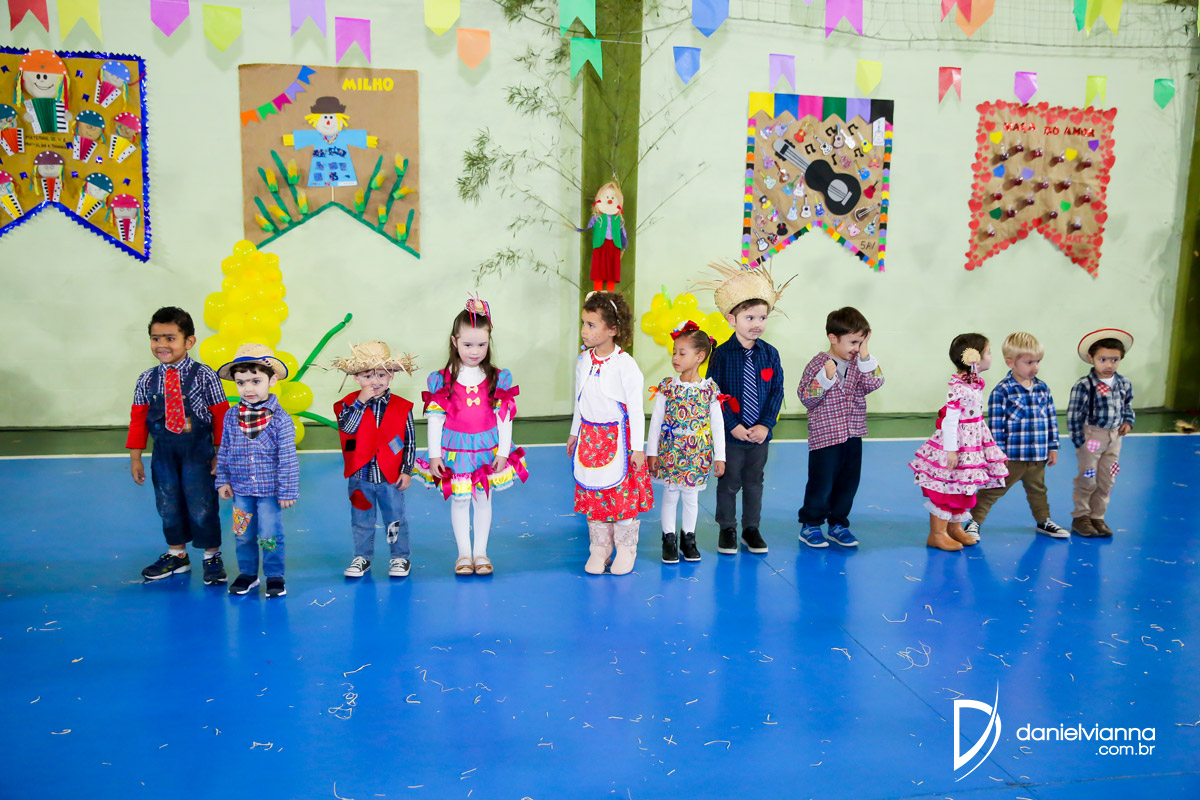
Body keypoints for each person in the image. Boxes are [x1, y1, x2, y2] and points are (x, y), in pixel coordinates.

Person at [415, 297, 528, 575]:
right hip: (455, 450)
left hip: (486, 448)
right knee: (460, 499)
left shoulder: (497, 377)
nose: (475, 351)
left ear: (489, 342)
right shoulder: (442, 379)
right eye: (467, 345)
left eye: (481, 344)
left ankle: (481, 553)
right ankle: (464, 555)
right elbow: (435, 419)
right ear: (454, 342)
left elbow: (504, 417)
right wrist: (434, 455)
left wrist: (503, 451)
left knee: (483, 497)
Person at [127, 307, 230, 583]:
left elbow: (221, 416)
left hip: (198, 454)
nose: (161, 345)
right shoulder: (146, 379)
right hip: (163, 455)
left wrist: (220, 454)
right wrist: (135, 458)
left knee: (202, 504)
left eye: (170, 338)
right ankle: (177, 555)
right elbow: (138, 420)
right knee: (167, 503)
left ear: (189, 341)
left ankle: (211, 556)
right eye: (155, 338)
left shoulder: (205, 375)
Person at [698, 260, 788, 556]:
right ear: (731, 319)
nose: (757, 324)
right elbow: (714, 394)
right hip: (731, 435)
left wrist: (765, 424)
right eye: (750, 317)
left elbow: (776, 391)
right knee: (729, 482)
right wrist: (733, 425)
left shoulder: (770, 354)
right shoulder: (721, 355)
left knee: (754, 482)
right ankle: (727, 528)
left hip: (759, 436)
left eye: (762, 317)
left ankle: (751, 528)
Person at [568, 291, 654, 575]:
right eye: (584, 323)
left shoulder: (625, 365)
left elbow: (636, 408)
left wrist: (637, 448)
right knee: (594, 493)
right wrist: (575, 432)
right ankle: (600, 547)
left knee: (620, 496)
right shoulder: (584, 360)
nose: (584, 330)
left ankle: (626, 548)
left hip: (619, 440)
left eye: (591, 325)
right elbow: (580, 399)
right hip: (589, 438)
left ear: (613, 329)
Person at [908, 334, 1009, 551]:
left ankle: (954, 528)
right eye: (988, 352)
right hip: (957, 444)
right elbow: (950, 420)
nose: (991, 356)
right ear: (974, 357)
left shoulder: (973, 384)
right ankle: (937, 534)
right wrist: (951, 450)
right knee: (947, 487)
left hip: (971, 443)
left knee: (962, 486)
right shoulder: (959, 388)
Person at [796, 307, 884, 548]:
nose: (856, 347)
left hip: (853, 434)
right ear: (833, 338)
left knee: (848, 483)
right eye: (853, 342)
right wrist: (824, 379)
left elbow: (875, 382)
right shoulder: (818, 363)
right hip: (825, 436)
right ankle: (811, 524)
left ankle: (838, 524)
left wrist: (864, 354)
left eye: (860, 342)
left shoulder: (860, 363)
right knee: (822, 483)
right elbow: (806, 398)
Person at [214, 345, 299, 598]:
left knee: (269, 535)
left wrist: (288, 491)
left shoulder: (280, 419)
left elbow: (287, 458)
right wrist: (222, 480)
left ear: (272, 380)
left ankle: (274, 575)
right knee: (242, 534)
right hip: (241, 491)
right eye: (241, 383)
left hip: (269, 492)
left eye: (255, 381)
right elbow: (224, 449)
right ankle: (248, 574)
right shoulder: (231, 416)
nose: (248, 388)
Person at [966, 332, 1067, 540]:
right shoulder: (1002, 391)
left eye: (1038, 361)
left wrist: (1052, 447)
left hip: (1037, 455)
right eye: (1029, 362)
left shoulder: (1043, 389)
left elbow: (1051, 419)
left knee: (1038, 490)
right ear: (1011, 362)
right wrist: (998, 455)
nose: (1035, 367)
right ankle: (973, 522)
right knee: (993, 489)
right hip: (1011, 457)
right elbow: (996, 427)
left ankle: (1043, 521)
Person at [330, 341, 418, 578]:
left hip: (390, 477)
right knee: (361, 520)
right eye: (367, 376)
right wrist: (360, 402)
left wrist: (407, 470)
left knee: (395, 519)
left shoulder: (402, 407)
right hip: (360, 476)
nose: (375, 381)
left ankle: (399, 557)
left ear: (391, 376)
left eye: (381, 374)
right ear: (356, 377)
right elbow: (347, 428)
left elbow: (409, 441)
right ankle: (362, 557)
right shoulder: (347, 405)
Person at [646, 322, 726, 564]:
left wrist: (720, 456)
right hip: (671, 452)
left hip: (697, 454)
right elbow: (656, 421)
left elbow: (717, 425)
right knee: (670, 495)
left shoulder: (710, 390)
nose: (675, 358)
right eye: (674, 352)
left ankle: (688, 539)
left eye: (682, 353)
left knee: (691, 498)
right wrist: (652, 452)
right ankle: (668, 538)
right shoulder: (667, 387)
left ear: (699, 357)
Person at [1067, 328, 1135, 538]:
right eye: (1103, 359)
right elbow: (1074, 415)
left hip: (1114, 438)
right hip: (1092, 437)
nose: (1109, 365)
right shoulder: (1084, 385)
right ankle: (1081, 516)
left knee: (1107, 478)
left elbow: (1127, 406)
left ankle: (1098, 516)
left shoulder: (1124, 383)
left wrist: (1128, 421)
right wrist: (1080, 441)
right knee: (1088, 478)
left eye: (1114, 360)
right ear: (1091, 358)